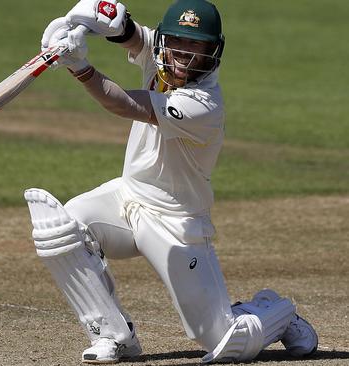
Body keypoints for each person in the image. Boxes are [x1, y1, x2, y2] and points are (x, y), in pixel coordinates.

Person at [23, 0, 318, 363]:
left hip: (176, 222)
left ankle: (276, 310)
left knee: (225, 342)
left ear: (213, 51)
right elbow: (134, 37)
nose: (185, 54)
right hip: (127, 198)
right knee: (62, 227)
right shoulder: (162, 54)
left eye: (197, 46)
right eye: (178, 42)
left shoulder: (204, 103)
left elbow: (125, 105)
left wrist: (80, 67)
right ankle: (113, 336)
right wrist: (104, 20)